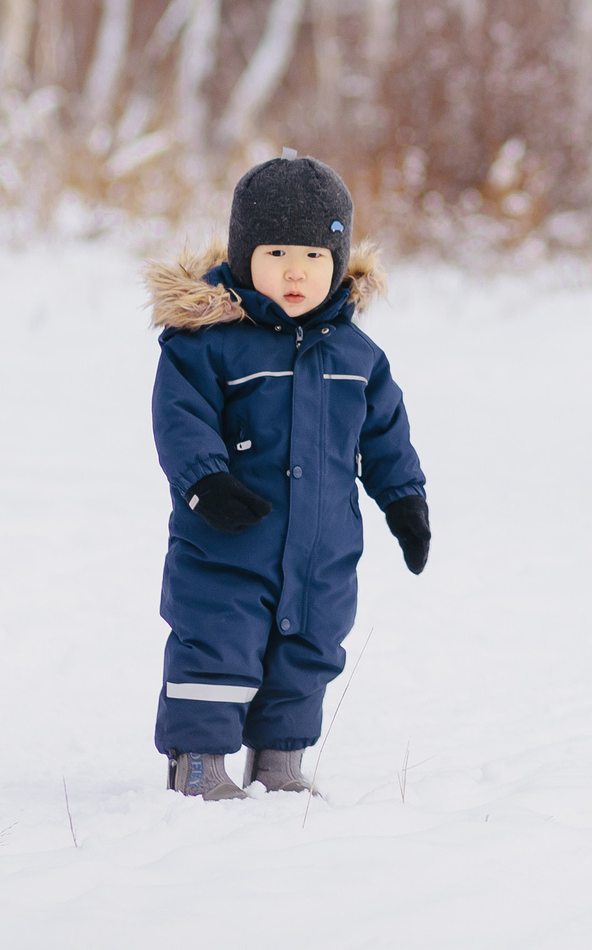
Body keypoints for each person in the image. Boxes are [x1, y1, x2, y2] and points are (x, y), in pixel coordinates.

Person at [148, 155, 431, 799]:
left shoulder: (359, 356)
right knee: (217, 644)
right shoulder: (206, 342)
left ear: (338, 262)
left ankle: (280, 761)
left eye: (314, 254)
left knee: (309, 650)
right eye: (276, 252)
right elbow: (181, 418)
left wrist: (405, 500)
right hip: (227, 540)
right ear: (246, 255)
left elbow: (386, 434)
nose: (296, 271)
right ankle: (199, 763)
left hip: (324, 549)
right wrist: (205, 482)